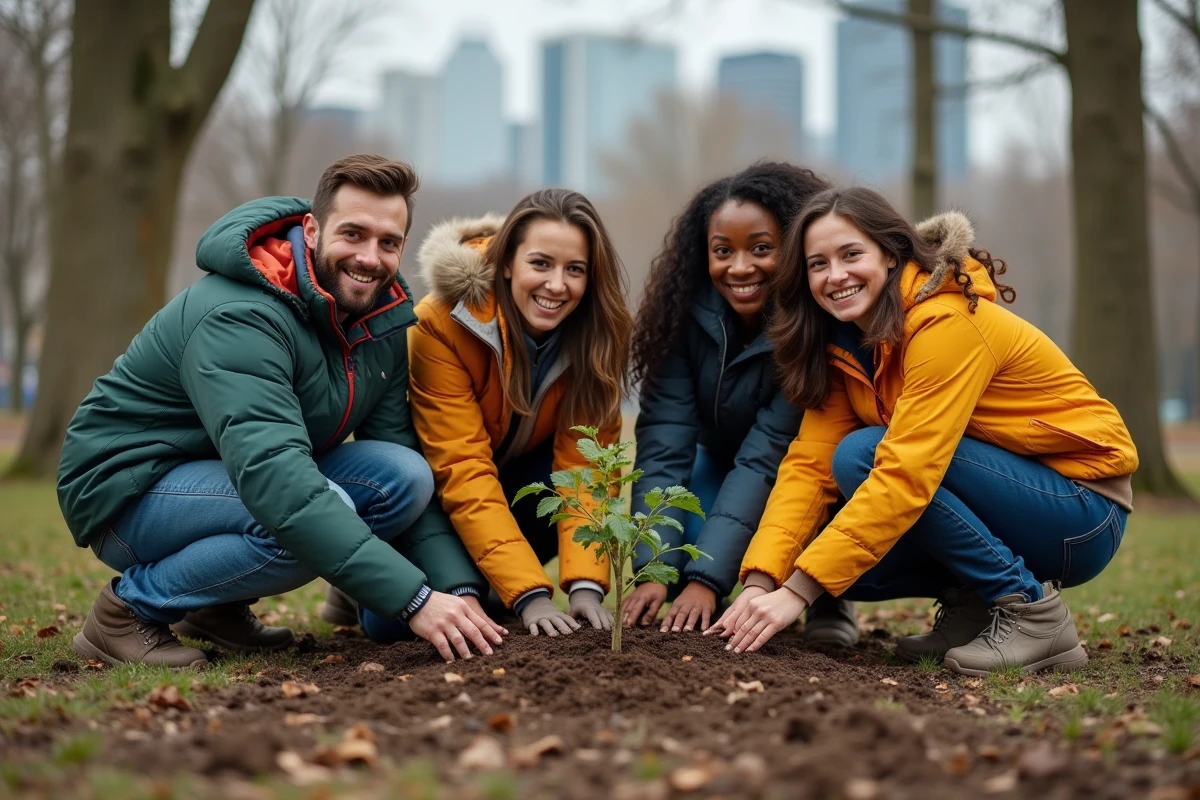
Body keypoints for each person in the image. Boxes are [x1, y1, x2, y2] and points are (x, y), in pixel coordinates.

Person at [58, 154, 507, 668]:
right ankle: (127, 612)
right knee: (308, 517)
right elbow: (278, 481)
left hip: (224, 477)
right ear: (312, 230)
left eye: (388, 242)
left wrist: (458, 589)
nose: (369, 257)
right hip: (128, 489)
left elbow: (400, 451)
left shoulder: (378, 320)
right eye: (353, 234)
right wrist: (415, 600)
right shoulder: (242, 314)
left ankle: (214, 607)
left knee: (404, 476)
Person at [707, 187, 1138, 675]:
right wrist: (765, 581)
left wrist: (799, 591)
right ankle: (975, 607)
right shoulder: (843, 345)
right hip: (1014, 502)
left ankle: (1031, 612)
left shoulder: (944, 321)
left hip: (1079, 512)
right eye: (818, 264)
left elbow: (907, 472)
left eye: (851, 255)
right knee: (825, 548)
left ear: (890, 255)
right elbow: (807, 466)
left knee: (863, 457)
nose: (836, 276)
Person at [358, 188, 633, 641]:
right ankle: (366, 575)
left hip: (517, 485)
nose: (557, 285)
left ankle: (488, 584)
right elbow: (462, 468)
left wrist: (585, 587)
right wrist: (530, 595)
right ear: (507, 262)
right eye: (540, 263)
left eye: (575, 270)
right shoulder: (442, 321)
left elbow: (587, 467)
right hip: (437, 495)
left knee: (551, 488)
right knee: (388, 627)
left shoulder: (596, 336)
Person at [619, 163, 859, 645]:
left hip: (798, 473)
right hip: (720, 463)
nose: (740, 267)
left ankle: (829, 600)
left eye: (762, 248)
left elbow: (767, 455)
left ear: (793, 248)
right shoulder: (679, 321)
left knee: (820, 485)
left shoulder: (813, 327)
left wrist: (705, 582)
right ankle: (735, 596)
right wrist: (655, 570)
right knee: (691, 545)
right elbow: (664, 446)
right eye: (722, 251)